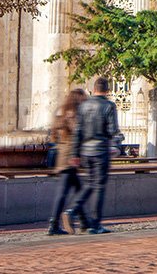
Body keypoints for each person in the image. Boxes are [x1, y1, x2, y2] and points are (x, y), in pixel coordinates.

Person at [63, 76, 122, 235]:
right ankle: (95, 225)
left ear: (93, 89)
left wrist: (75, 153)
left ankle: (71, 210)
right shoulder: (109, 106)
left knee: (89, 183)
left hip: (85, 152)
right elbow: (112, 131)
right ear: (107, 90)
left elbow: (78, 132)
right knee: (98, 187)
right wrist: (116, 143)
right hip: (100, 151)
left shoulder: (83, 106)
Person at [46, 88, 87, 236]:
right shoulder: (72, 114)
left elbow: (53, 133)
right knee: (65, 192)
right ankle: (54, 224)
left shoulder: (61, 111)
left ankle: (84, 222)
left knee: (78, 189)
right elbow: (78, 133)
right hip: (70, 157)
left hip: (62, 155)